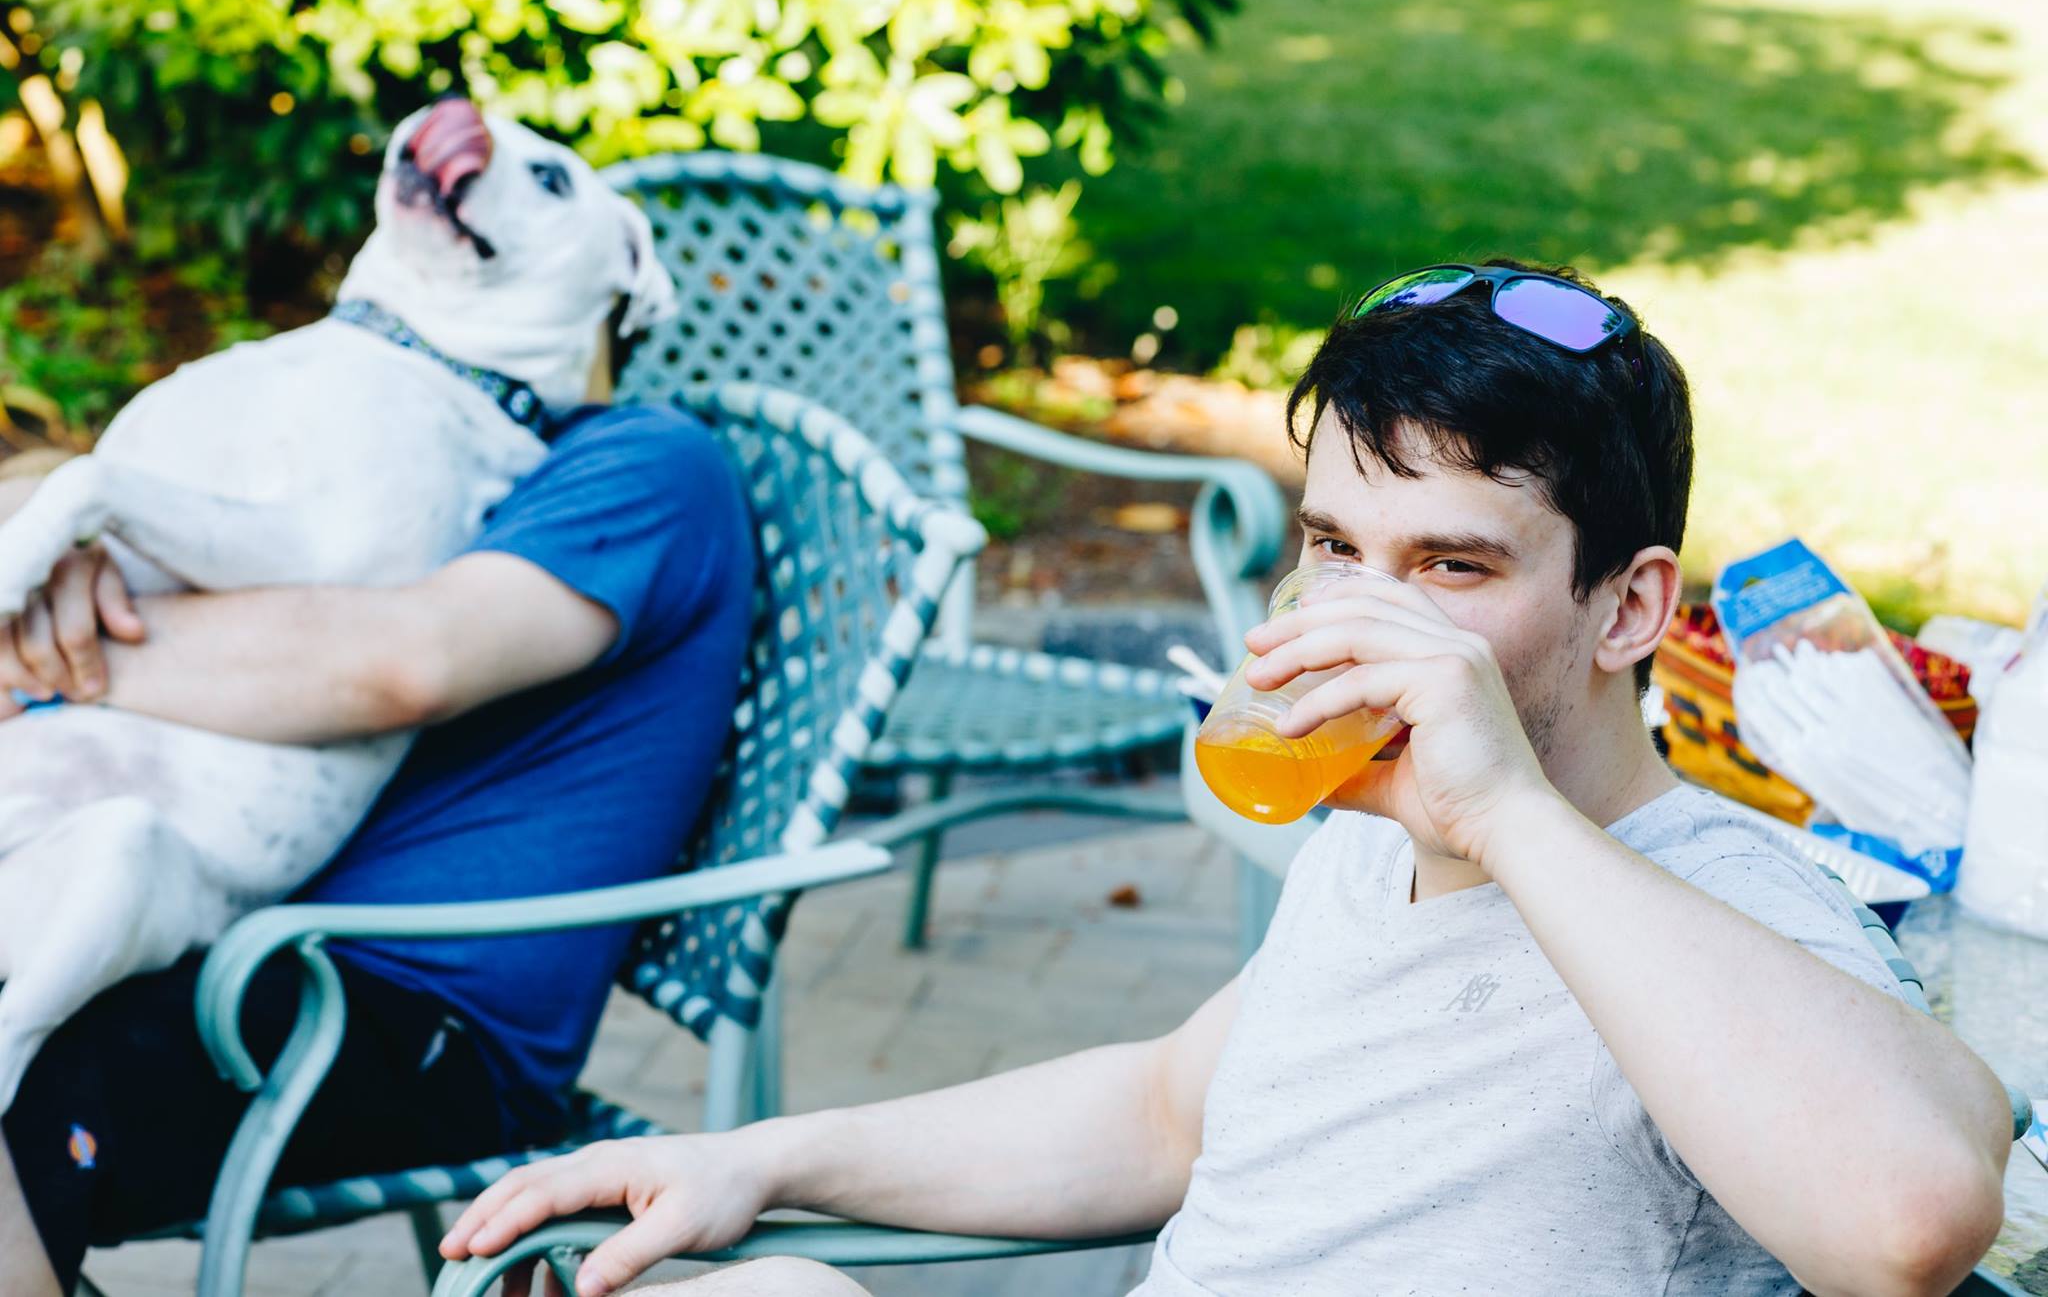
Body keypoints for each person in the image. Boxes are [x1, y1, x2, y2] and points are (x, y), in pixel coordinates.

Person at [442, 261, 2013, 1297]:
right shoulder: (1372, 834)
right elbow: (1168, 1110)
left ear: (1632, 609)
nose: (1356, 619)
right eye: (1336, 547)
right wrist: (764, 1157)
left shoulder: (1719, 905)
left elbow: (1911, 1221)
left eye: (1451, 566)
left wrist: (1509, 816)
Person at [0, 370, 756, 1296]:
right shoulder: (384, 466)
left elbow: (396, 663)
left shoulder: (643, 462)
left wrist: (43, 648)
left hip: (415, 1008)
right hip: (244, 931)